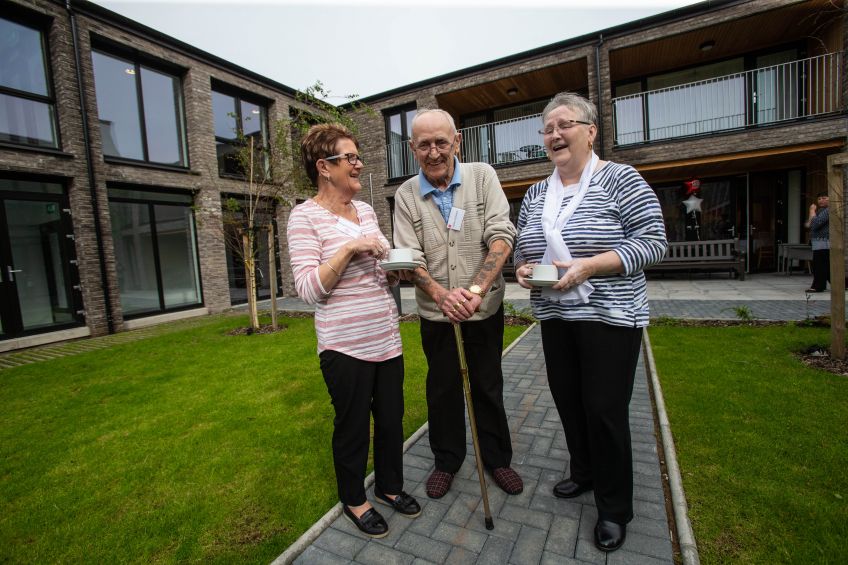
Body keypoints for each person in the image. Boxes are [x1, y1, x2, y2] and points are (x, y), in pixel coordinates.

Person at [513, 92, 667, 553]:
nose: (555, 135)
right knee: (568, 402)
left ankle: (615, 508)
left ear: (591, 131)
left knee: (604, 411)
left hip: (611, 318)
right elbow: (524, 246)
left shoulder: (621, 179)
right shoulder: (537, 192)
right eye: (547, 128)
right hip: (557, 317)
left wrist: (591, 265)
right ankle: (583, 473)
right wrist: (522, 268)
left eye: (565, 125)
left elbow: (654, 241)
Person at [287, 123, 420, 539]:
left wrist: (396, 270)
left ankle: (390, 487)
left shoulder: (364, 211)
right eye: (350, 158)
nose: (359, 164)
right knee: (353, 426)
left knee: (393, 420)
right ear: (324, 167)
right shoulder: (303, 216)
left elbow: (381, 267)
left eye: (357, 156)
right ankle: (354, 499)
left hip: (385, 336)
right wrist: (349, 248)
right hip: (344, 346)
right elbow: (309, 289)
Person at [392, 109, 523, 499]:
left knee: (487, 384)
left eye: (441, 142)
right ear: (412, 147)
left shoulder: (483, 177)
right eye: (424, 144)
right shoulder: (405, 195)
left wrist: (476, 290)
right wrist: (443, 296)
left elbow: (501, 235)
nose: (433, 152)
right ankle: (447, 461)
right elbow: (410, 258)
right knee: (443, 388)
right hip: (436, 313)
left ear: (457, 141)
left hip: (484, 308)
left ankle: (497, 459)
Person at [805, 192, 830, 293]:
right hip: (819, 242)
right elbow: (808, 225)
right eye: (819, 199)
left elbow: (815, 224)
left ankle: (818, 286)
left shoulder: (828, 210)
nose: (821, 200)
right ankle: (843, 284)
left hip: (824, 242)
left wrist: (811, 211)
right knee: (824, 265)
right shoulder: (820, 210)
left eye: (824, 198)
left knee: (820, 265)